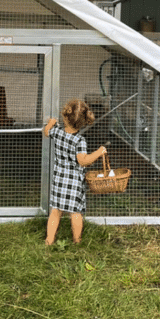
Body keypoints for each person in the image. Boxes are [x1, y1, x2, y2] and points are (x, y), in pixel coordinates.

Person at [42, 99, 107, 245]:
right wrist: (98, 152)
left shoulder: (57, 132)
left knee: (55, 211)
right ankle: (77, 241)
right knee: (75, 213)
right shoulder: (79, 141)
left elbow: (46, 132)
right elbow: (83, 161)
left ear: (65, 117)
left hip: (59, 179)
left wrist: (51, 123)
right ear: (83, 122)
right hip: (73, 182)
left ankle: (49, 240)